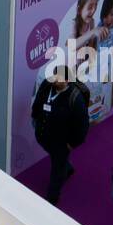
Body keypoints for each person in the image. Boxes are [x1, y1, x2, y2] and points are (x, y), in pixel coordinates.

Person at [30, 65, 89, 206]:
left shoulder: (76, 99)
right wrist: (34, 114)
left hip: (62, 142)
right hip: (44, 136)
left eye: (60, 79)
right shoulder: (47, 83)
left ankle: (52, 199)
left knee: (57, 169)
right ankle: (67, 167)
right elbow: (38, 100)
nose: (56, 80)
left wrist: (72, 144)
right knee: (57, 159)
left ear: (68, 81)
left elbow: (82, 126)